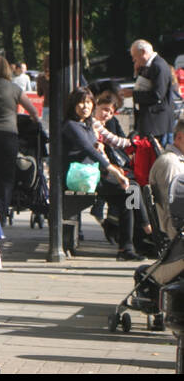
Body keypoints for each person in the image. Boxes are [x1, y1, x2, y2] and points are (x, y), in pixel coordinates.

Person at [62, 86, 140, 261]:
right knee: (129, 189)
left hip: (92, 176)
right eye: (81, 103)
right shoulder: (70, 125)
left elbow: (100, 146)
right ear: (73, 105)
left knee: (133, 190)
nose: (85, 106)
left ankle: (130, 242)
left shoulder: (88, 124)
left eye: (88, 102)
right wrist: (114, 170)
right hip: (78, 178)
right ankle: (133, 237)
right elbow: (88, 149)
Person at [0, 55, 41, 221]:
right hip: (8, 135)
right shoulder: (14, 89)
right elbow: (32, 111)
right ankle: (2, 210)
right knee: (6, 176)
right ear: (7, 69)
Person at [131, 39, 175, 147]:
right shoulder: (150, 66)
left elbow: (157, 95)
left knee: (156, 154)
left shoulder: (158, 66)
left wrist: (133, 94)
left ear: (142, 52)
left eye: (135, 56)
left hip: (157, 123)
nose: (133, 60)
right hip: (151, 122)